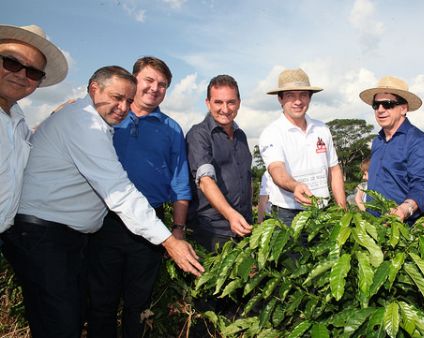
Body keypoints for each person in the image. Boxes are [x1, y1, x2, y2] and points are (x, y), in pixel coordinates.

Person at [0, 65, 204, 338]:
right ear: (93, 88)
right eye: (117, 97)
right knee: (63, 321)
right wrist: (169, 241)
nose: (123, 107)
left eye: (127, 101)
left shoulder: (98, 123)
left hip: (62, 236)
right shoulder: (85, 123)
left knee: (65, 316)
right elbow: (118, 190)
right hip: (45, 235)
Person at [86, 57, 192, 338]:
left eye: (163, 85)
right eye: (149, 80)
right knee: (101, 302)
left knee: (138, 303)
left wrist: (178, 230)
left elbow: (180, 183)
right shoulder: (106, 118)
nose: (155, 88)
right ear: (134, 81)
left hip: (150, 227)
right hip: (104, 222)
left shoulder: (171, 129)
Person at [0, 24, 67, 242]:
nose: (21, 75)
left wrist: (53, 117)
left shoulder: (16, 120)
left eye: (33, 72)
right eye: (11, 62)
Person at [259, 68, 346, 226]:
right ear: (280, 99)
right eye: (290, 95)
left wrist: (342, 210)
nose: (298, 102)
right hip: (288, 215)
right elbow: (276, 169)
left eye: (303, 95)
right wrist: (295, 186)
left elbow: (334, 169)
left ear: (310, 98)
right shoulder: (272, 133)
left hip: (324, 211)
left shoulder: (322, 129)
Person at [186, 74, 253, 252]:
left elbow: (247, 178)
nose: (225, 109)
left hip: (243, 227)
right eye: (218, 102)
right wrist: (230, 215)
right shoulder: (199, 135)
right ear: (208, 103)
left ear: (239, 102)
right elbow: (205, 180)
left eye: (231, 102)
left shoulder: (241, 135)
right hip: (213, 231)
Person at [359, 76, 424, 222]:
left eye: (387, 104)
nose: (380, 110)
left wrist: (405, 209)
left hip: (402, 227)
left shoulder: (418, 142)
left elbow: (422, 185)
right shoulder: (377, 141)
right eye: (376, 105)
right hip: (372, 225)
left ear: (403, 109)